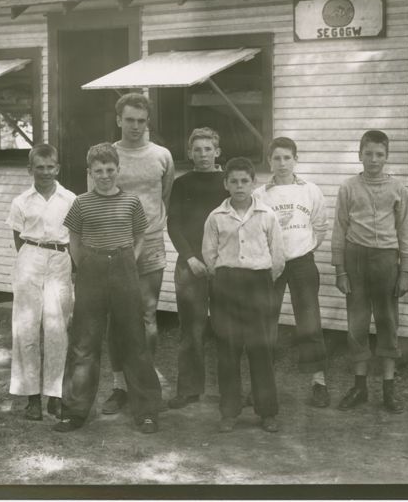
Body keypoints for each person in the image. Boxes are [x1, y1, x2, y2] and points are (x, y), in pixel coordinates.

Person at [56, 143, 162, 434]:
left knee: (134, 341)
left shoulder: (131, 201)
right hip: (91, 269)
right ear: (89, 172)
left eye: (110, 170)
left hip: (124, 269)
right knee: (84, 342)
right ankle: (74, 411)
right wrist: (88, 265)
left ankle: (147, 411)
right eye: (98, 171)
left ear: (119, 170)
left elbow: (140, 235)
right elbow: (74, 241)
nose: (105, 175)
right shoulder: (80, 202)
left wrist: (128, 259)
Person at [101, 93, 174, 415]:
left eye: (141, 121)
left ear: (148, 123)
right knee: (117, 318)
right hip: (114, 245)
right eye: (129, 120)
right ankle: (119, 386)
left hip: (152, 244)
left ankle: (144, 380)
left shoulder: (162, 155)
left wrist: (151, 229)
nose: (135, 126)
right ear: (119, 120)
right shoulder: (106, 155)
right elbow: (95, 197)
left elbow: (164, 197)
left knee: (147, 315)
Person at [331, 130, 408, 414]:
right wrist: (340, 270)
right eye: (368, 154)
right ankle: (360, 386)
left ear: (387, 157)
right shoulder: (348, 187)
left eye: (379, 154)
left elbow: (406, 231)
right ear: (359, 155)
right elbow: (339, 229)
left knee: (388, 320)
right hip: (355, 258)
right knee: (357, 321)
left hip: (387, 260)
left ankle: (389, 389)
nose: (373, 160)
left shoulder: (398, 189)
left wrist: (405, 271)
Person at [203, 157, 285, 433]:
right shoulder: (216, 217)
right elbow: (209, 255)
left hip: (258, 284)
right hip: (226, 284)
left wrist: (259, 280)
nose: (239, 186)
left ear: (254, 183)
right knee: (227, 350)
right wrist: (225, 279)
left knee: (260, 348)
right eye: (234, 181)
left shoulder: (267, 215)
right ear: (226, 184)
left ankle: (267, 411)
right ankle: (229, 410)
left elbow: (277, 257)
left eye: (244, 181)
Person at [254, 137, 331, 407]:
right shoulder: (260, 195)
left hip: (302, 262)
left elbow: (320, 227)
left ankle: (318, 382)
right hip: (271, 265)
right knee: (266, 322)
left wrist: (303, 249)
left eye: (287, 157)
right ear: (269, 161)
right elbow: (255, 231)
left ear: (296, 159)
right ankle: (262, 384)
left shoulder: (310, 191)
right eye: (276, 158)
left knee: (309, 322)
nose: (282, 163)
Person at [5, 143, 75, 421]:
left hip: (60, 259)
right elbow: (17, 239)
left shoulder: (70, 199)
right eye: (39, 167)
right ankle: (32, 397)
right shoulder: (21, 201)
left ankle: (55, 396)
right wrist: (30, 259)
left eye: (50, 167)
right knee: (26, 328)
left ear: (57, 167)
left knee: (58, 328)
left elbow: (76, 236)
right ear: (30, 169)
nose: (45, 172)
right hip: (30, 258)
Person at [165, 127, 228, 409]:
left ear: (218, 151)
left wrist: (220, 259)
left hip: (225, 265)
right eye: (197, 150)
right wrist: (190, 257)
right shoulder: (182, 184)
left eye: (208, 149)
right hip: (190, 265)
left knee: (229, 328)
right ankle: (189, 389)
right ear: (190, 153)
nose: (203, 155)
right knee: (191, 330)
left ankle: (230, 390)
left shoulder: (229, 182)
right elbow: (174, 224)